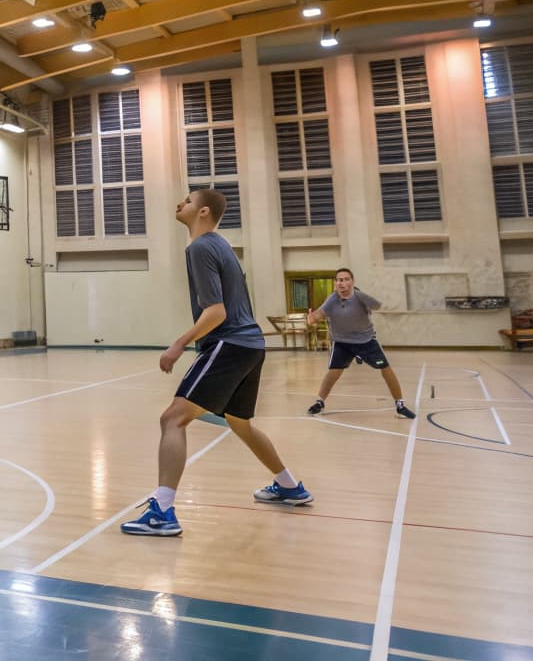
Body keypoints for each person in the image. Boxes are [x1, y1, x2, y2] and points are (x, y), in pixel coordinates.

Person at [122, 188, 313, 538]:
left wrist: (178, 344)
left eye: (188, 201)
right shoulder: (221, 245)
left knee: (172, 419)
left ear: (203, 211)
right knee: (241, 424)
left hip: (230, 343)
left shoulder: (200, 247)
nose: (180, 203)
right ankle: (289, 486)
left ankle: (162, 512)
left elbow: (216, 312)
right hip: (251, 345)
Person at [305, 268, 415, 419]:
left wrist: (362, 296)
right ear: (335, 283)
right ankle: (320, 402)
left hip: (365, 340)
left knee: (385, 368)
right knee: (334, 372)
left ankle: (400, 405)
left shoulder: (359, 296)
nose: (342, 283)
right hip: (341, 342)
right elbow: (317, 316)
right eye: (339, 280)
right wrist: (311, 318)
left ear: (352, 282)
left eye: (346, 279)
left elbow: (377, 306)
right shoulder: (332, 300)